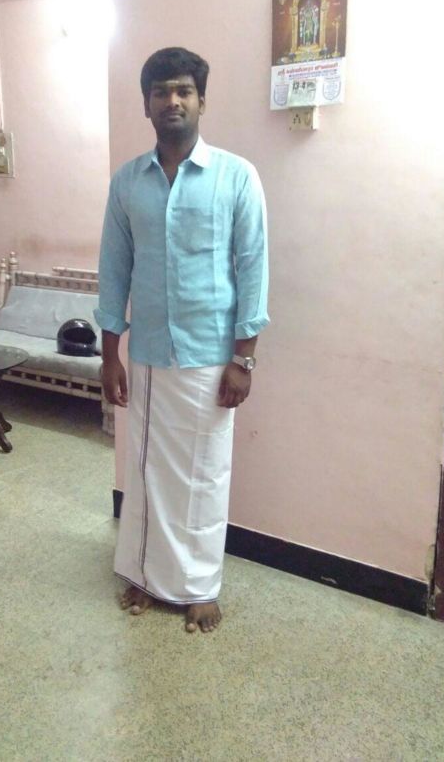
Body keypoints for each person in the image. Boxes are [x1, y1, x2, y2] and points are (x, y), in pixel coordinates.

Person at [96, 47, 269, 633]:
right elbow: (114, 270)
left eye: (183, 91)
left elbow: (253, 268)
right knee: (147, 473)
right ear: (146, 105)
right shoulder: (128, 182)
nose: (172, 101)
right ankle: (146, 575)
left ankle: (198, 586)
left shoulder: (236, 177)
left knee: (203, 475)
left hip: (209, 356)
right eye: (161, 91)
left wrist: (244, 358)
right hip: (146, 353)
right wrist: (110, 355)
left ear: (201, 101)